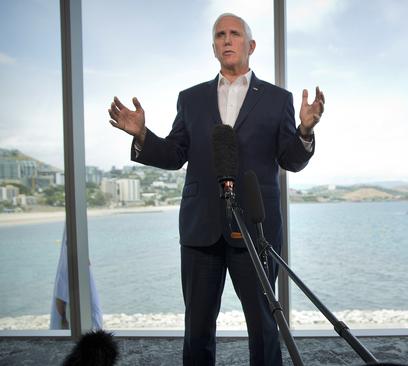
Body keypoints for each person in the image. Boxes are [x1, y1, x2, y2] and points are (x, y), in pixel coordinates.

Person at [107, 12, 324, 366]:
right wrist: (143, 137)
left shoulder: (277, 99)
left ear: (250, 46)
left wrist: (304, 131)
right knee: (197, 328)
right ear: (213, 47)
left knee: (265, 326)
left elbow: (290, 160)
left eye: (235, 34)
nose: (227, 39)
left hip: (256, 229)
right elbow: (176, 154)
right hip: (200, 229)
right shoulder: (190, 98)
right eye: (220, 34)